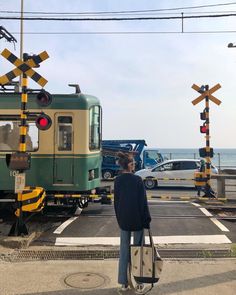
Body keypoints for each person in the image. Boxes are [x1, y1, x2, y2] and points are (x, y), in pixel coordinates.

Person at [114, 152, 151, 293]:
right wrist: (146, 220)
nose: (134, 165)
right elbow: (143, 203)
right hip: (137, 221)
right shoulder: (137, 181)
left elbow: (116, 203)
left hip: (123, 221)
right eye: (133, 163)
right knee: (139, 251)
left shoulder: (117, 180)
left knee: (124, 251)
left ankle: (123, 283)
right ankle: (140, 283)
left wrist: (119, 219)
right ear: (129, 165)